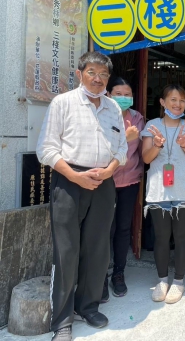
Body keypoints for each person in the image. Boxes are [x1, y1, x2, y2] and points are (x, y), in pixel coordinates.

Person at [37, 52, 127, 341]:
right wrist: (75, 176)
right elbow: (46, 149)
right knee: (66, 252)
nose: (97, 79)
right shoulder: (63, 103)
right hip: (69, 181)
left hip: (104, 182)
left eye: (103, 74)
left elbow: (122, 149)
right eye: (91, 72)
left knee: (98, 248)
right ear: (79, 74)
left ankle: (87, 306)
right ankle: (62, 321)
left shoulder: (113, 107)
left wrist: (109, 170)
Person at [141, 84, 185, 304]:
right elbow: (146, 158)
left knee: (182, 236)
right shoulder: (152, 125)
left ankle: (178, 281)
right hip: (159, 190)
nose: (178, 104)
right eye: (173, 100)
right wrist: (157, 145)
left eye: (182, 100)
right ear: (162, 102)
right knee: (161, 237)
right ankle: (161, 281)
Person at [100, 77, 145, 302]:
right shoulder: (101, 116)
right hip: (105, 181)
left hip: (130, 181)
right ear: (108, 94)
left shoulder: (138, 118)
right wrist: (125, 139)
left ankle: (118, 273)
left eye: (127, 94)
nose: (124, 98)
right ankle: (99, 277)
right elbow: (99, 151)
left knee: (123, 228)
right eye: (119, 93)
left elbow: (142, 150)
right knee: (103, 229)